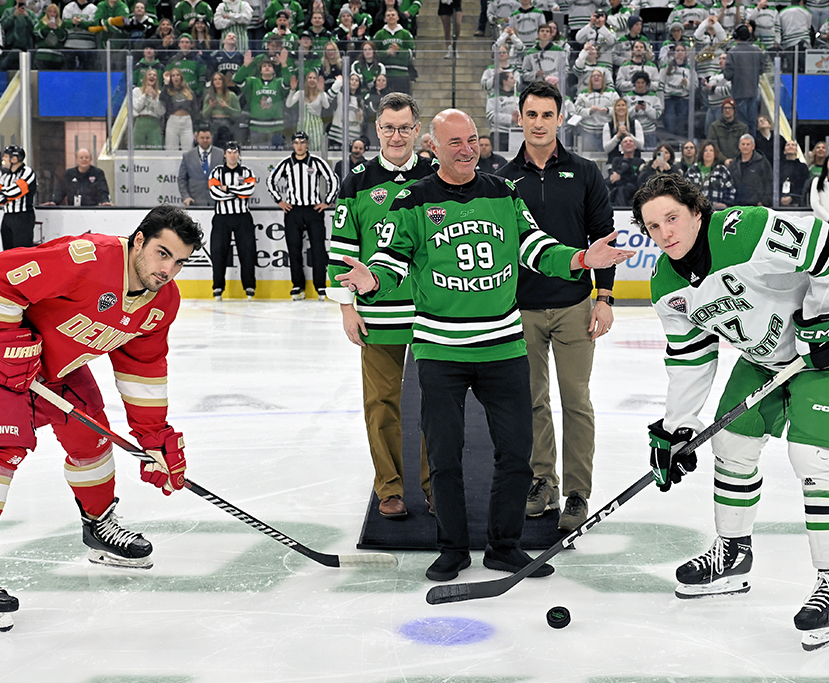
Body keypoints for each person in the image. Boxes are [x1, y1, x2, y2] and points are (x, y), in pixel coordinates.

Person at [335, 108, 636, 583]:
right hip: (440, 352)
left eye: (472, 138)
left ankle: (504, 546)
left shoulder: (503, 191)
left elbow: (536, 248)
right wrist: (370, 280)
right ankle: (453, 548)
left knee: (516, 452)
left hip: (503, 349)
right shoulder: (412, 199)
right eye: (454, 141)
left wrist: (581, 258)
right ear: (433, 146)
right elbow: (391, 259)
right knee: (445, 455)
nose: (466, 148)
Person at [631, 172, 829, 652]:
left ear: (696, 212)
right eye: (653, 226)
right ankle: (732, 555)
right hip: (767, 359)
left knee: (814, 458)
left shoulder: (745, 231)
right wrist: (678, 427)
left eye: (672, 218)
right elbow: (690, 357)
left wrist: (824, 318)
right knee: (732, 443)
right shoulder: (665, 285)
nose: (666, 233)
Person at [0, 204, 203, 633]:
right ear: (139, 241)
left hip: (50, 356)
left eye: (179, 262)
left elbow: (143, 366)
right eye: (161, 253)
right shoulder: (87, 258)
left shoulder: (161, 302)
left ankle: (98, 527)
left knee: (92, 438)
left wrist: (153, 436)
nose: (168, 270)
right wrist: (6, 337)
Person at [497, 80, 616, 532]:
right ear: (519, 118)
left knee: (576, 400)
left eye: (548, 115)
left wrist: (603, 298)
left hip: (573, 306)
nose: (540, 123)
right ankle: (541, 482)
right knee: (531, 401)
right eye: (532, 114)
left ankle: (577, 493)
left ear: (560, 118)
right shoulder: (504, 180)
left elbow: (603, 238)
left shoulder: (585, 172)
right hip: (521, 308)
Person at [326, 92, 436, 519]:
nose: (396, 135)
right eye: (388, 127)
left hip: (432, 312)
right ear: (377, 129)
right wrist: (346, 307)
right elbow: (341, 249)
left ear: (416, 129)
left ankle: (434, 484)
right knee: (381, 403)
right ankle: (390, 488)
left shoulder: (435, 173)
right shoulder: (356, 180)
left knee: (436, 403)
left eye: (404, 127)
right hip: (378, 313)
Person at [266, 130, 339, 300]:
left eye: (302, 142)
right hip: (293, 211)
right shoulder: (286, 163)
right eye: (296, 143)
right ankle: (297, 285)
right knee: (294, 249)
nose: (299, 146)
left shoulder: (316, 162)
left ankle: (320, 285)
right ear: (292, 144)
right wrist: (280, 200)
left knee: (318, 249)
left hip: (314, 210)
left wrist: (327, 201)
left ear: (307, 144)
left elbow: (333, 179)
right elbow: (271, 181)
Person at [208, 141, 258, 300]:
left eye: (235, 152)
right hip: (221, 218)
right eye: (229, 152)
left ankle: (249, 286)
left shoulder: (247, 171)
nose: (232, 155)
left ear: (238, 154)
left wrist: (227, 188)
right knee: (218, 252)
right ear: (224, 154)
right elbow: (215, 194)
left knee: (247, 252)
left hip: (243, 217)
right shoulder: (216, 172)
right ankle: (217, 287)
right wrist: (238, 191)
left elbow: (249, 191)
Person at [0, 145, 36, 250]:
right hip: (7, 217)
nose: (3, 159)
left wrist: (3, 194)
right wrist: (6, 194)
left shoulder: (27, 172)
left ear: (14, 159)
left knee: (21, 253)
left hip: (23, 217)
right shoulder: (5, 176)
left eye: (6, 156)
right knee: (7, 252)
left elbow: (16, 192)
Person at [723, 23, 764, 135]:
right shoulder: (757, 51)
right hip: (753, 91)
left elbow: (728, 75)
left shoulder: (732, 52)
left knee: (741, 124)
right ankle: (752, 145)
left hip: (739, 92)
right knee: (752, 123)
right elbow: (762, 69)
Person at [44, 148, 112, 206]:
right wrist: (53, 201)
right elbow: (60, 190)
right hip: (74, 210)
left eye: (86, 157)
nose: (84, 159)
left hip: (93, 210)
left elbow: (103, 190)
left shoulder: (98, 173)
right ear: (76, 159)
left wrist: (104, 201)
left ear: (91, 159)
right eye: (81, 158)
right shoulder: (69, 174)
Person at [179, 127, 225, 207]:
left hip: (217, 201)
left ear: (212, 138)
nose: (205, 140)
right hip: (194, 201)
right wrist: (186, 197)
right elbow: (182, 179)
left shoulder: (221, 154)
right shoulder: (188, 156)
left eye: (207, 138)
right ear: (197, 138)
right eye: (202, 138)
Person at [684, 139, 735, 210]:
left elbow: (731, 190)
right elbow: (685, 190)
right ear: (702, 153)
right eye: (705, 150)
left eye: (711, 150)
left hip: (717, 210)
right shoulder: (692, 170)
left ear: (715, 153)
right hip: (697, 210)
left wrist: (725, 203)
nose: (708, 153)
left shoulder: (722, 170)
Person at [729, 134, 772, 206]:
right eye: (743, 144)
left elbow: (769, 183)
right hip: (737, 205)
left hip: (756, 206)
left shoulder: (762, 162)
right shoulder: (734, 164)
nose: (745, 146)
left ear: (753, 146)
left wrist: (764, 201)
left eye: (748, 144)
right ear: (739, 146)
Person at [161, 68, 197, 150]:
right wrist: (166, 83)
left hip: (187, 121)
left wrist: (196, 128)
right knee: (171, 148)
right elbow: (162, 99)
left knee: (188, 148)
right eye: (173, 76)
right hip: (173, 120)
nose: (176, 77)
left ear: (181, 77)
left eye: (177, 75)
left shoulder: (189, 92)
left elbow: (195, 109)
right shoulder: (168, 91)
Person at [132, 68, 166, 150]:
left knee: (156, 148)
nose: (152, 76)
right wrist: (145, 95)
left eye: (154, 75)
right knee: (137, 148)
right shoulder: (136, 91)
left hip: (154, 122)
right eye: (149, 74)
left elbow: (161, 112)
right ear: (145, 78)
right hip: (140, 121)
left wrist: (154, 99)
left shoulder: (159, 93)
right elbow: (136, 107)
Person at [706, 98, 748, 162]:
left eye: (730, 108)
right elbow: (713, 146)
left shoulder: (742, 128)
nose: (727, 110)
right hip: (719, 162)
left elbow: (745, 146)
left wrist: (735, 161)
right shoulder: (714, 126)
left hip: (739, 163)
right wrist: (724, 160)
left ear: (734, 110)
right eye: (725, 108)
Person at [778, 139, 810, 208]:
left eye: (793, 145)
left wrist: (792, 197)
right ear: (784, 151)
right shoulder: (778, 166)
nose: (790, 146)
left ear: (797, 150)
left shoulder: (802, 167)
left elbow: (804, 185)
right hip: (779, 202)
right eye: (788, 145)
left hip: (796, 202)